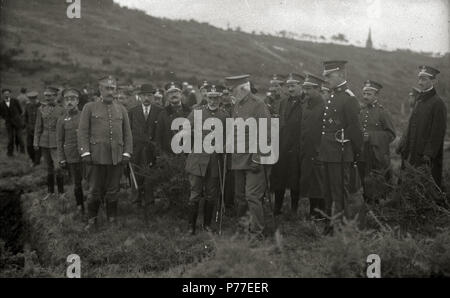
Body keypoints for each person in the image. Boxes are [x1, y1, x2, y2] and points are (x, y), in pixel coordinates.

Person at [78, 76, 133, 230]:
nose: (110, 91)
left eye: (113, 88)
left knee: (113, 190)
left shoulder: (121, 109)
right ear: (100, 89)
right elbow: (82, 132)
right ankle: (92, 220)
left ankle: (112, 219)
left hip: (116, 157)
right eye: (107, 88)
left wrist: (127, 153)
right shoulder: (89, 107)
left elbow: (127, 134)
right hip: (96, 157)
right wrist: (85, 153)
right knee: (94, 190)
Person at [225, 74, 271, 240]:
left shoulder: (258, 104)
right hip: (238, 159)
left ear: (244, 88)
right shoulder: (237, 104)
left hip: (253, 160)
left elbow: (265, 133)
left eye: (234, 89)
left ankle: (257, 232)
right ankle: (243, 228)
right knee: (240, 197)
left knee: (252, 196)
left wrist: (257, 157)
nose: (232, 92)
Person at [319, 61, 363, 232]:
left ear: (341, 75)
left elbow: (355, 129)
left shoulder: (348, 98)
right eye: (326, 75)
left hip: (340, 152)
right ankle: (330, 223)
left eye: (329, 76)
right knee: (328, 191)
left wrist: (355, 153)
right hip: (328, 152)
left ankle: (340, 225)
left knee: (339, 191)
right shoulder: (333, 96)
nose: (326, 78)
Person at [185, 85, 229, 234]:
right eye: (210, 97)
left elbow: (229, 136)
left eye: (216, 98)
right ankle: (191, 227)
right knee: (195, 193)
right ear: (206, 98)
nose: (213, 100)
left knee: (211, 195)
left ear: (220, 99)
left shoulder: (224, 115)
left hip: (215, 161)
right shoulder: (197, 112)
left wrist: (223, 145)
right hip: (197, 159)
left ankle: (207, 225)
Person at [398, 66, 447, 189]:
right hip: (411, 152)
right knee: (408, 186)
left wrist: (428, 155)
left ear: (434, 81)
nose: (420, 82)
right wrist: (403, 144)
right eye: (419, 79)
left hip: (425, 157)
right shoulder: (419, 101)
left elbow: (438, 133)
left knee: (424, 187)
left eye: (424, 79)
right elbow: (410, 126)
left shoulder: (438, 103)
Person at [271, 73, 305, 216]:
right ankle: (277, 208)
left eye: (293, 85)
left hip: (298, 146)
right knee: (280, 177)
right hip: (282, 145)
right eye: (288, 86)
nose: (290, 89)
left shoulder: (305, 102)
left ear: (301, 86)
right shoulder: (283, 102)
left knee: (295, 180)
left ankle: (294, 209)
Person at [128, 84, 162, 221]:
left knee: (150, 176)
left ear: (153, 97)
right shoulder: (132, 111)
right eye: (144, 95)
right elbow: (128, 132)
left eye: (149, 95)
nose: (146, 98)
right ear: (139, 97)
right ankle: (136, 202)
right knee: (136, 175)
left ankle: (150, 202)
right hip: (136, 150)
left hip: (152, 150)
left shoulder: (160, 111)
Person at [358, 80, 396, 200]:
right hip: (363, 155)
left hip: (377, 156)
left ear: (376, 95)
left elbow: (391, 134)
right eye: (364, 93)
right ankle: (368, 209)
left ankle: (379, 211)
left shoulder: (383, 112)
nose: (365, 97)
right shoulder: (361, 111)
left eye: (369, 94)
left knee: (378, 187)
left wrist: (371, 136)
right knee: (365, 184)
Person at [299, 74, 327, 219]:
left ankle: (320, 215)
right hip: (307, 150)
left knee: (319, 185)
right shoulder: (305, 105)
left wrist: (319, 150)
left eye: (309, 89)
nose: (306, 92)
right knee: (310, 183)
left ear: (318, 89)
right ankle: (312, 213)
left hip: (318, 152)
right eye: (304, 88)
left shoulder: (324, 107)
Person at [34, 86, 66, 200]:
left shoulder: (62, 110)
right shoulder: (41, 109)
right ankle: (50, 192)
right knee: (49, 168)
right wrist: (36, 141)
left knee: (58, 168)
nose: (47, 98)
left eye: (49, 95)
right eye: (46, 95)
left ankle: (61, 193)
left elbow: (64, 128)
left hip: (56, 143)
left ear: (55, 96)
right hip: (44, 142)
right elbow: (38, 126)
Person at [56, 88, 85, 215]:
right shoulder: (61, 120)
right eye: (67, 99)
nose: (69, 102)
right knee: (77, 184)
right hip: (71, 156)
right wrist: (61, 158)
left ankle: (97, 204)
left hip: (86, 156)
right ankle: (80, 206)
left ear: (77, 101)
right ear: (63, 101)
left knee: (93, 182)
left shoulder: (84, 115)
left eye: (72, 99)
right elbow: (59, 141)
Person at [155, 82, 192, 155]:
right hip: (169, 156)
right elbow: (158, 138)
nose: (174, 95)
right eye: (170, 93)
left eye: (176, 92)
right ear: (167, 96)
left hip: (188, 156)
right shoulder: (162, 114)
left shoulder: (190, 112)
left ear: (181, 94)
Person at [0, 88, 25, 156]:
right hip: (8, 123)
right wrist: (6, 118)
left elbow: (20, 111)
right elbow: (1, 114)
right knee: (10, 138)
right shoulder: (1, 104)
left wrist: (17, 118)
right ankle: (10, 153)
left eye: (8, 94)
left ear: (10, 94)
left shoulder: (15, 101)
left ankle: (23, 151)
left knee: (20, 137)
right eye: (5, 94)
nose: (6, 95)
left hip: (17, 122)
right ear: (2, 95)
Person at [24, 91, 41, 166]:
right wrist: (26, 126)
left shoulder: (41, 106)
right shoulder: (27, 106)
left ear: (36, 98)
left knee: (37, 147)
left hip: (38, 130)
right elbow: (25, 117)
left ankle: (36, 162)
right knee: (29, 146)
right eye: (30, 99)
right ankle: (33, 159)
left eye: (33, 99)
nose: (32, 101)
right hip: (29, 130)